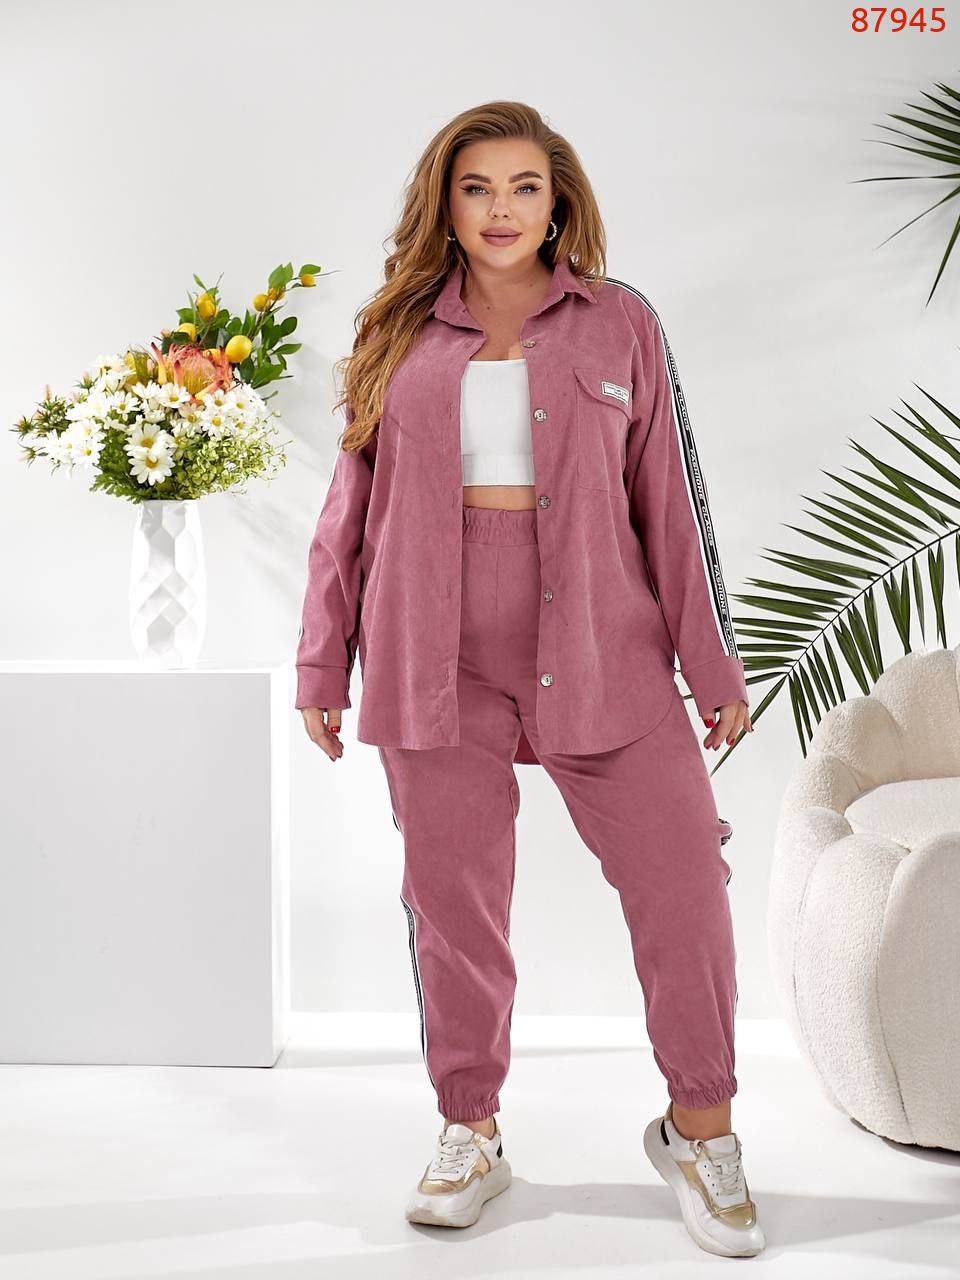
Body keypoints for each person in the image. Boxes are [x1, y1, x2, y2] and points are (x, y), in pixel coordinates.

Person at [294, 100, 765, 1258]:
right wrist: (321, 657)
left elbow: (672, 502)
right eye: (476, 188)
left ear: (558, 203)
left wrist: (711, 663)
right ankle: (471, 1127)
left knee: (684, 884)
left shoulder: (620, 323)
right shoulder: (396, 329)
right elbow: (348, 509)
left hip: (606, 647)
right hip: (433, 654)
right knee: (453, 908)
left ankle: (701, 1130)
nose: (500, 210)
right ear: (445, 204)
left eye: (523, 187)